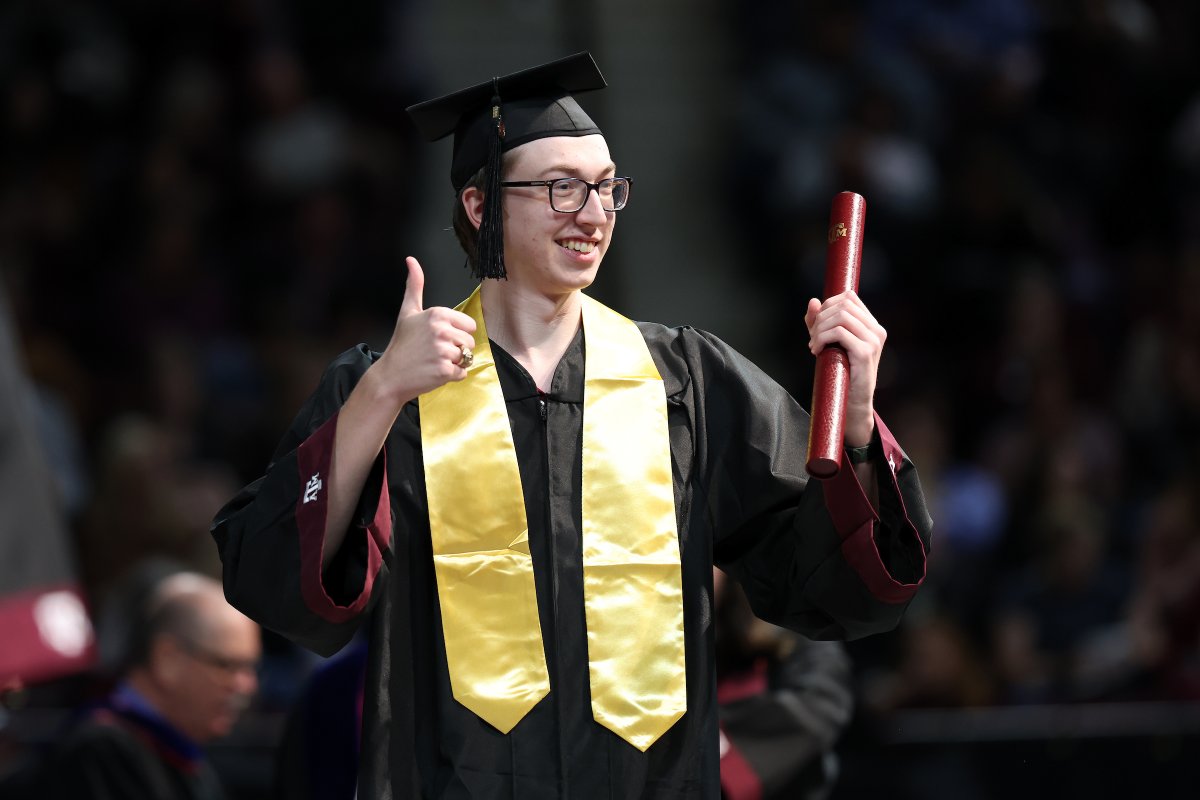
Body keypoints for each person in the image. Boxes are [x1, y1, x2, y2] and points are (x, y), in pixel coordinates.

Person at [212, 51, 932, 798]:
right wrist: (377, 395)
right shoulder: (397, 383)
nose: (592, 214)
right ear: (480, 205)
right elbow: (275, 583)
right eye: (561, 188)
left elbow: (836, 582)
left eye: (605, 188)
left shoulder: (685, 380)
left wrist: (852, 422)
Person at [30, 567, 261, 800]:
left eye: (250, 668)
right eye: (227, 665)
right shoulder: (102, 754)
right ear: (167, 659)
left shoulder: (182, 751)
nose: (247, 685)